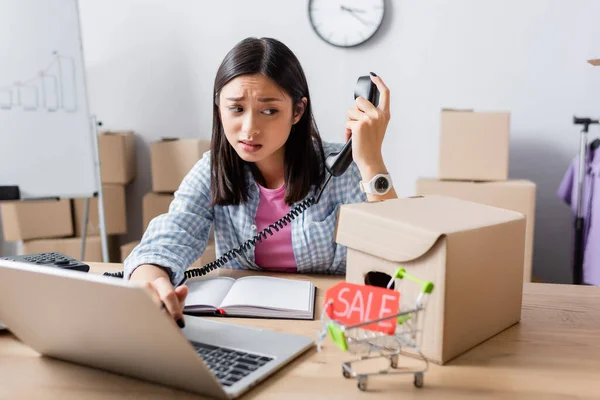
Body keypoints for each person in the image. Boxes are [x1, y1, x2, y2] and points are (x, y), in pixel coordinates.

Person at [124, 37, 396, 328]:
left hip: (330, 322)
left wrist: (371, 162)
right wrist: (149, 281)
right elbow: (171, 235)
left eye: (269, 111)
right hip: (245, 323)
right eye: (236, 109)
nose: (250, 128)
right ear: (219, 108)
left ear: (297, 111)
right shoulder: (213, 170)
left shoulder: (339, 168)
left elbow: (398, 250)